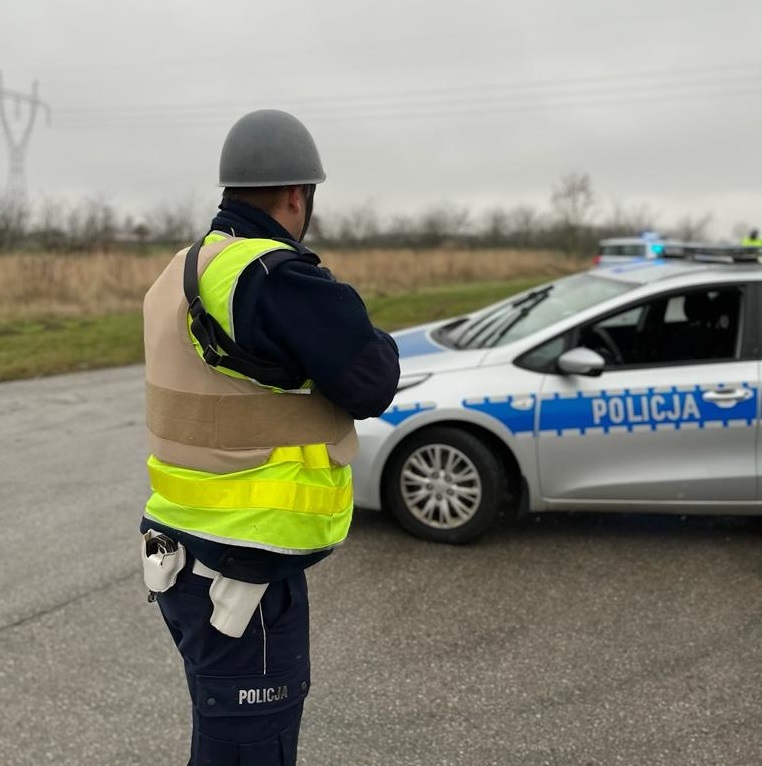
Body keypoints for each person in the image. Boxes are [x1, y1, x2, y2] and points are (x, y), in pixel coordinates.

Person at [139, 109, 400, 765]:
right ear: (296, 194)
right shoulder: (274, 275)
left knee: (225, 742)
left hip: (181, 554)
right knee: (251, 752)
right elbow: (370, 381)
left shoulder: (182, 269)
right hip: (242, 574)